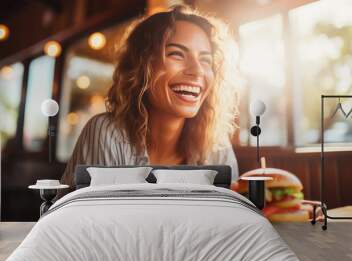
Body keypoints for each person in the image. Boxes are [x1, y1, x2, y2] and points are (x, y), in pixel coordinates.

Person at [60, 5, 241, 189]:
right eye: (176, 54)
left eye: (205, 60)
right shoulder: (106, 133)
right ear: (142, 67)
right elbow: (99, 215)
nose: (197, 71)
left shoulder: (215, 142)